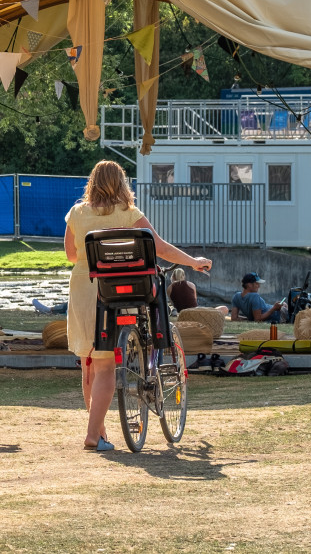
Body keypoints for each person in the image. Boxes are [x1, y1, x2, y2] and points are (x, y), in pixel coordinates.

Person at [64, 160, 211, 452]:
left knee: (90, 367)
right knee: (107, 368)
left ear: (92, 183)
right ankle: (93, 436)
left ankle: (101, 433)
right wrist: (193, 262)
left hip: (82, 290)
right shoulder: (129, 214)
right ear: (121, 184)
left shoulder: (77, 214)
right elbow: (159, 248)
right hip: (117, 294)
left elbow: (70, 254)